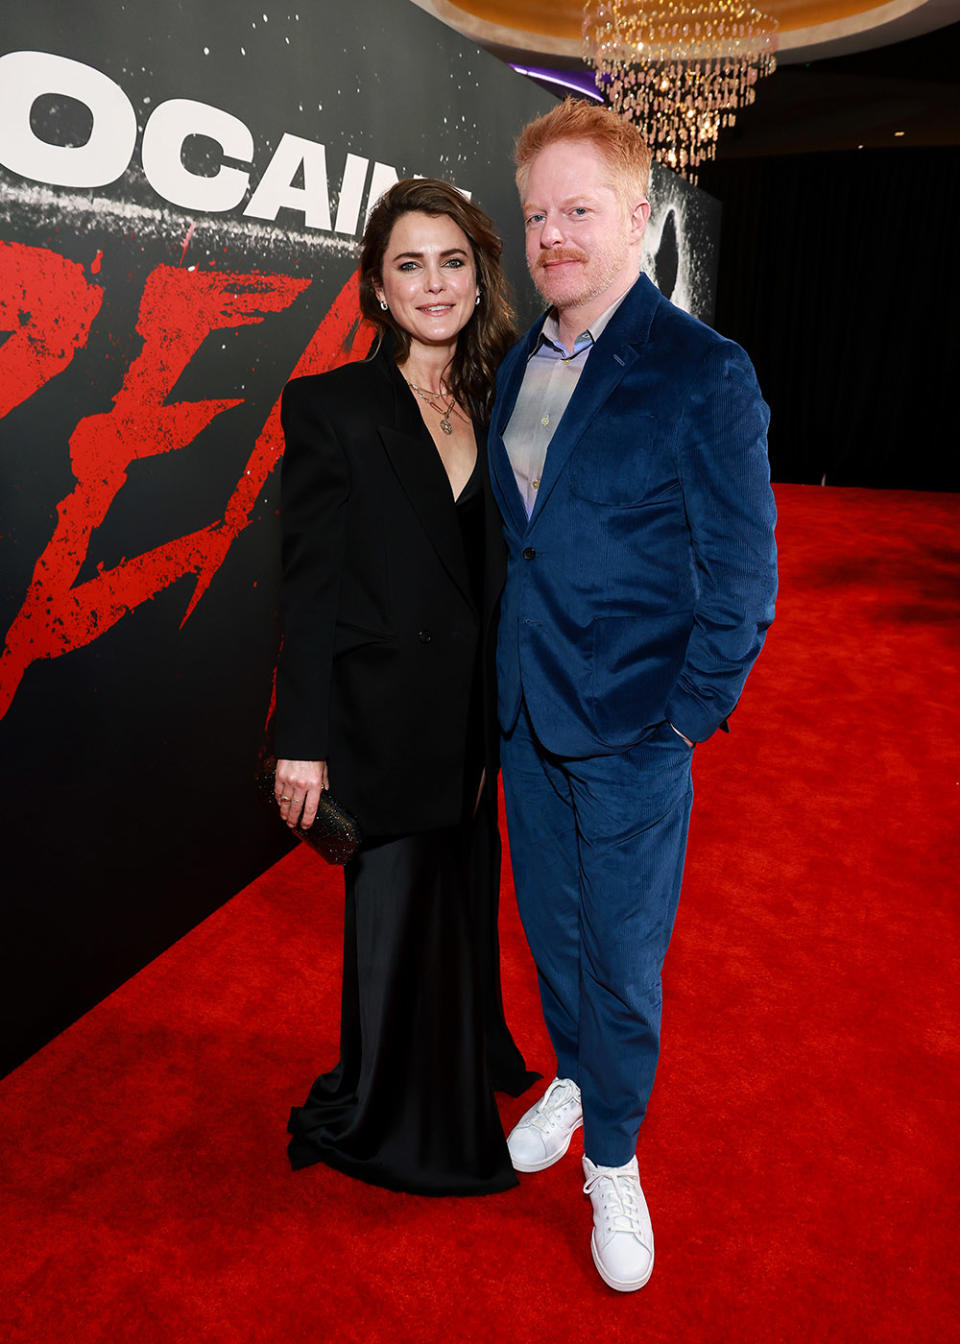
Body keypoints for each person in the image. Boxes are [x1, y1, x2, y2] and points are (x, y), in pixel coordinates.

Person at [488, 100, 778, 1288]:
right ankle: (572, 1074)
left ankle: (615, 1153)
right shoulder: (519, 358)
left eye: (579, 211)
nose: (554, 235)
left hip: (633, 726)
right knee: (553, 932)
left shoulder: (703, 369)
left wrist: (685, 714)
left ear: (637, 217)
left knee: (621, 954)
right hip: (526, 709)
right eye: (538, 214)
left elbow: (745, 577)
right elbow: (532, 541)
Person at [273, 178, 537, 1197]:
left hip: (472, 716)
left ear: (479, 275)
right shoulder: (331, 405)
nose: (435, 284)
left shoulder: (496, 393)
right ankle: (394, 1114)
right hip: (381, 716)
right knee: (395, 918)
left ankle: (467, 1059)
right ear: (376, 291)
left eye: (453, 261)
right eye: (409, 265)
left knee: (463, 903)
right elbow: (310, 587)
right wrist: (302, 740)